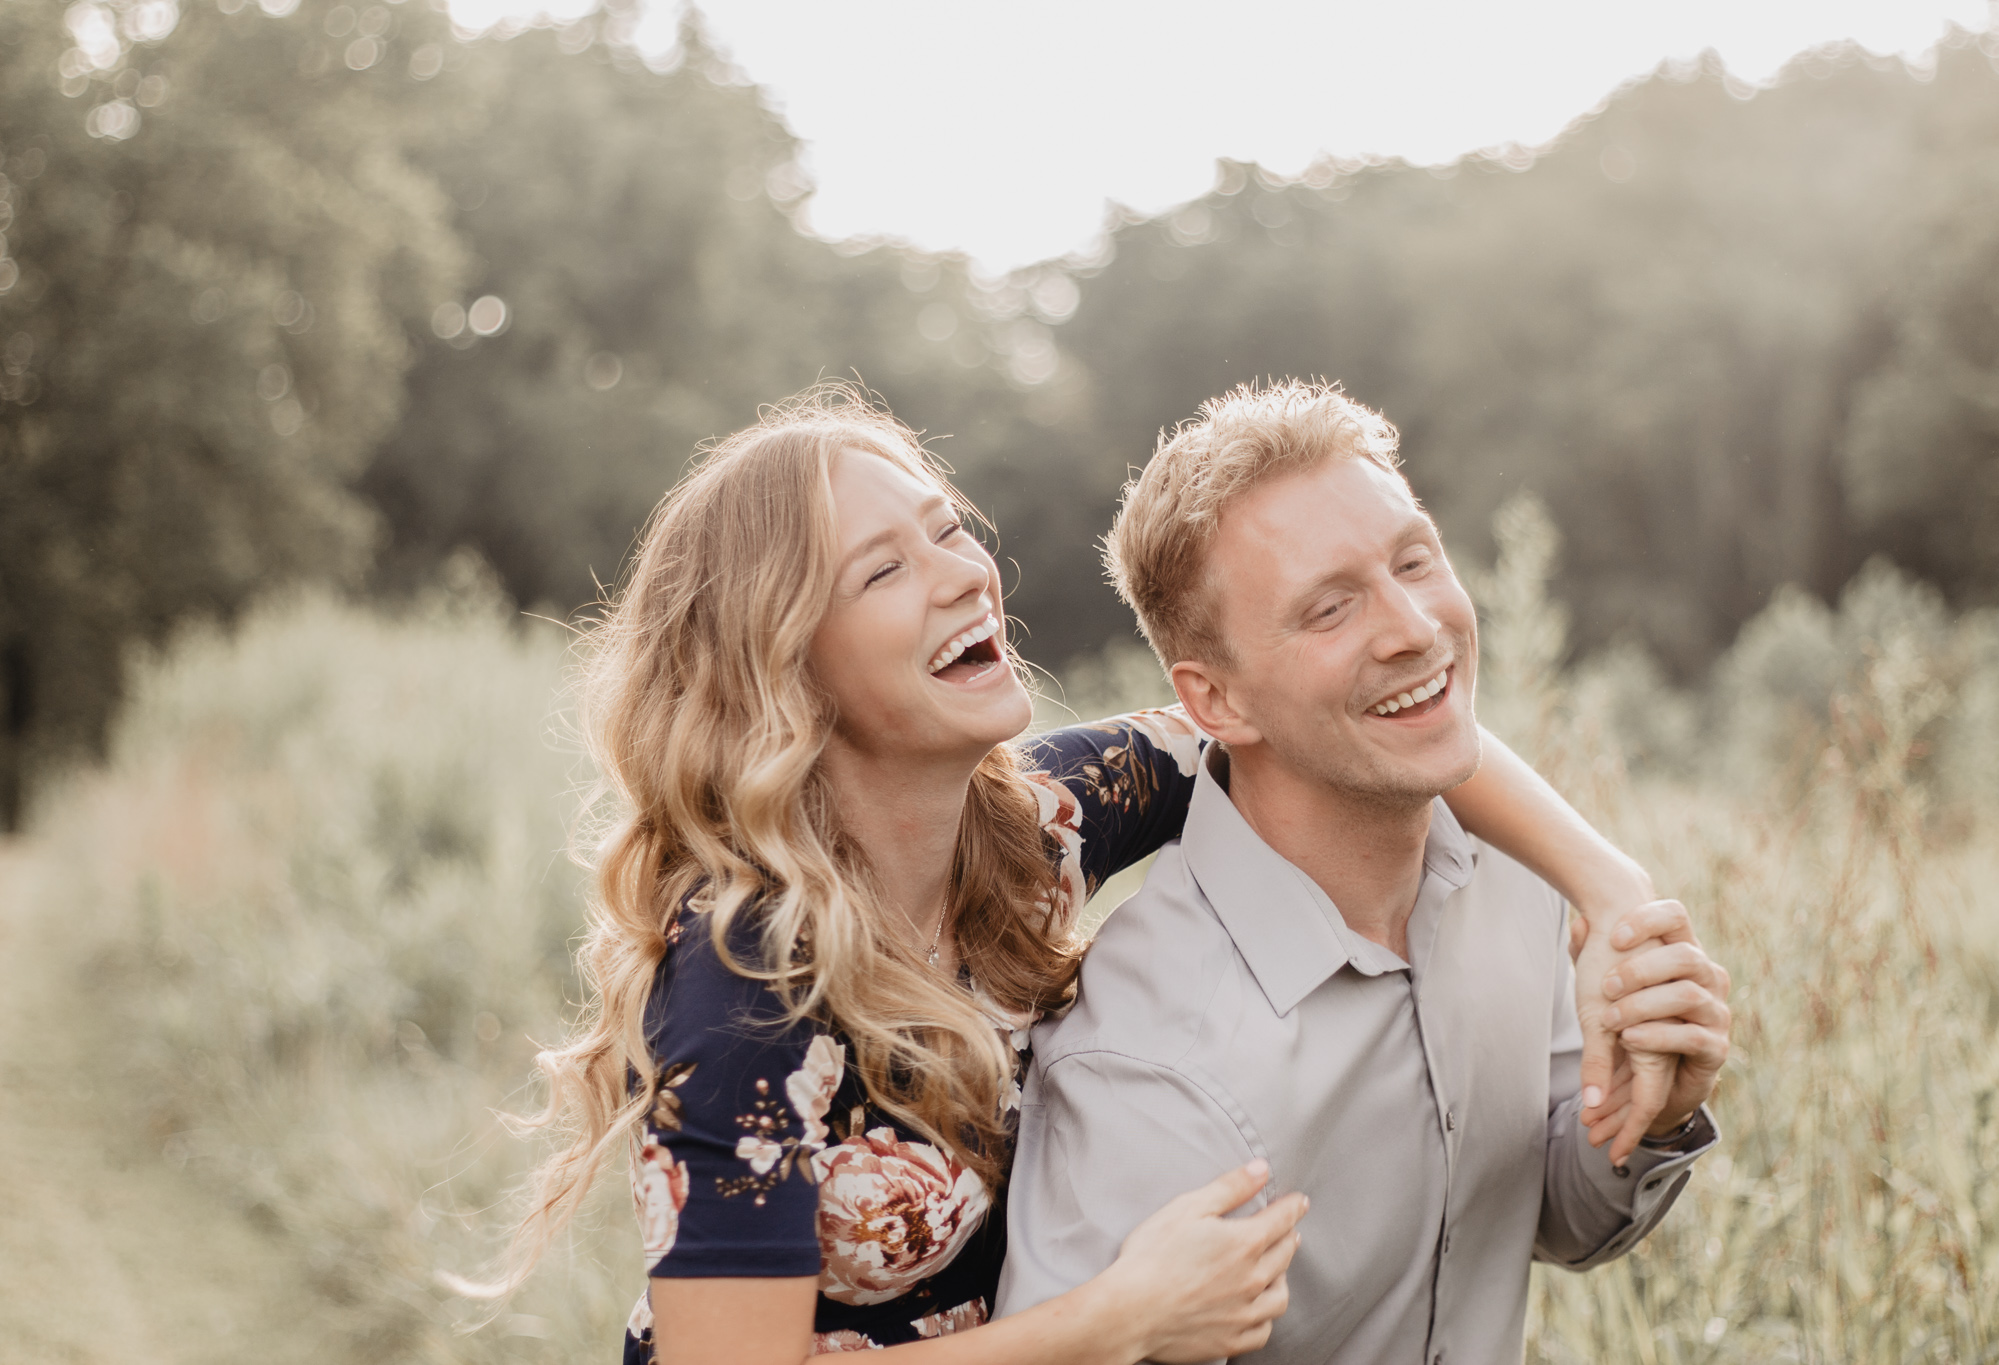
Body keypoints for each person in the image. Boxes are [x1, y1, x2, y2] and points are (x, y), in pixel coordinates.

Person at [493, 384, 1688, 1362]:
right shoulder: (742, 983)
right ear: (785, 670)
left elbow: (1372, 724)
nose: (962, 574)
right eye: (881, 571)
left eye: (947, 529)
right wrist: (1110, 1320)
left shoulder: (1046, 819)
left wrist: (1610, 891)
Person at [996, 380, 1731, 1364]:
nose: (1414, 628)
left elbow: (1542, 1213)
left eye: (1413, 561)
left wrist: (1649, 1115)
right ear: (1215, 701)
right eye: (1328, 608)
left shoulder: (1514, 880)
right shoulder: (1143, 1064)